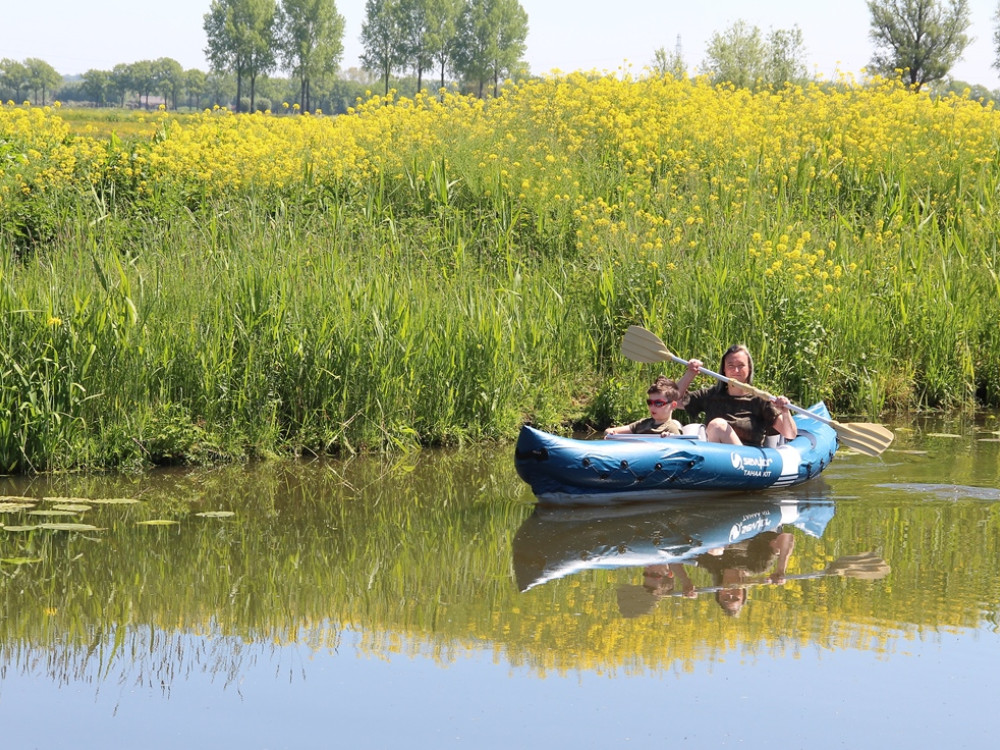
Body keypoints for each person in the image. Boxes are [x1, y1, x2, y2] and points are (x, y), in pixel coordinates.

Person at [676, 344, 797, 447]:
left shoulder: (761, 401)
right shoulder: (711, 395)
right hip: (715, 458)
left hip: (750, 462)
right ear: (724, 369)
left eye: (741, 365)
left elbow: (790, 434)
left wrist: (785, 412)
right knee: (711, 426)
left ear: (749, 368)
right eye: (731, 366)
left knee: (718, 426)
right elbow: (674, 401)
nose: (736, 371)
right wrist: (690, 373)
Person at [605, 375, 686, 437]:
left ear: (673, 405)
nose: (652, 407)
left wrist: (672, 439)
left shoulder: (671, 429)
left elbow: (679, 447)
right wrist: (611, 434)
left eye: (658, 403)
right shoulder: (642, 424)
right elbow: (608, 431)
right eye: (650, 402)